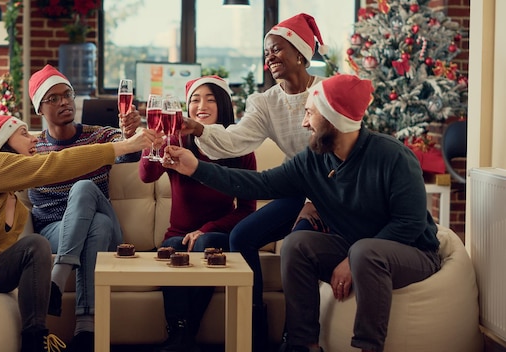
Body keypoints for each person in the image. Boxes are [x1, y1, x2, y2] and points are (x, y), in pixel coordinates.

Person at [162, 74, 441, 352]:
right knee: (297, 244)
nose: (304, 123)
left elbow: (411, 224)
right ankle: (302, 344)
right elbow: (261, 184)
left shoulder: (393, 157)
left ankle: (367, 347)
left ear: (334, 119)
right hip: (357, 248)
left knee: (365, 253)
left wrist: (351, 258)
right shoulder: (314, 159)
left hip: (411, 252)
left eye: (310, 114)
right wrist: (196, 168)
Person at [0, 112, 157, 352]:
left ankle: (36, 340)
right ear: (3, 142)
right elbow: (56, 164)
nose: (34, 137)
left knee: (35, 245)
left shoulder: (13, 201)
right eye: (23, 133)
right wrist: (124, 146)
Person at [180, 13, 329, 349]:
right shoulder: (265, 102)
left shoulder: (325, 92)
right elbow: (235, 141)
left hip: (332, 193)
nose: (270, 57)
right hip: (296, 191)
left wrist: (316, 201)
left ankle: (298, 337)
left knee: (297, 246)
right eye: (266, 52)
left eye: (277, 49)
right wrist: (199, 129)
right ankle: (253, 326)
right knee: (242, 235)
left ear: (301, 53)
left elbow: (343, 152)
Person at [26, 64, 144, 352]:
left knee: (84, 188)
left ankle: (58, 276)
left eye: (67, 94)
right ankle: (86, 330)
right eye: (53, 98)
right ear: (39, 109)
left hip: (110, 235)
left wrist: (131, 134)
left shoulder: (99, 136)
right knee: (97, 226)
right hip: (54, 230)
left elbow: (130, 153)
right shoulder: (33, 148)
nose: (64, 102)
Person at [139, 76, 257, 352]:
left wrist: (206, 229)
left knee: (204, 245)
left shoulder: (239, 147)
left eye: (210, 99)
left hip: (217, 233)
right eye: (194, 99)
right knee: (170, 248)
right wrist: (155, 141)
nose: (201, 105)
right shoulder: (179, 140)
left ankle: (184, 336)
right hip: (178, 235)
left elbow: (247, 210)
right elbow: (146, 175)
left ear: (224, 105)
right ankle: (181, 334)